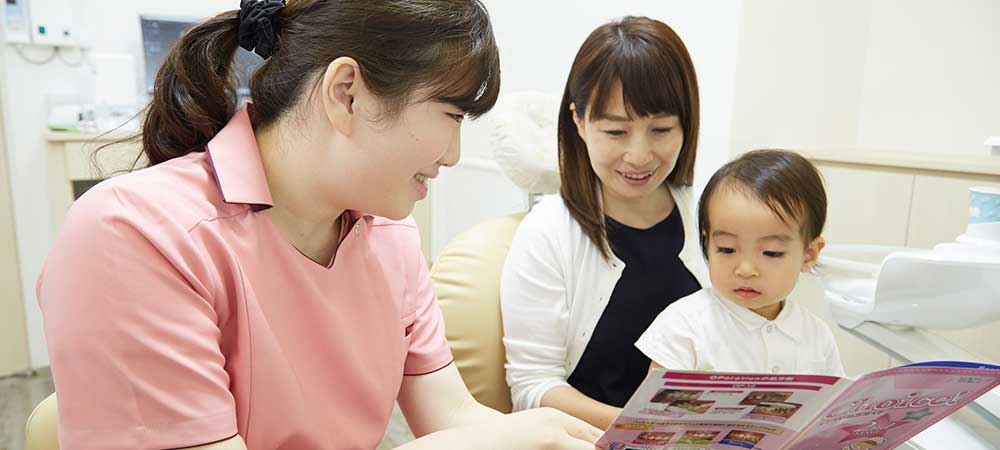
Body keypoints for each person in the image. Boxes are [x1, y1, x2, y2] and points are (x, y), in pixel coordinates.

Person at [35, 1, 602, 449]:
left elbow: (452, 415)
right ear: (345, 93)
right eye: (451, 114)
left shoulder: (390, 240)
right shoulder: (133, 236)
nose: (453, 154)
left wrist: (558, 435)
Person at [500, 16, 709, 430]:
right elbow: (533, 387)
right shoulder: (548, 233)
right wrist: (641, 430)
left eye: (661, 129)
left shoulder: (707, 217)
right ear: (578, 122)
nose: (639, 155)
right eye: (616, 132)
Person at [636, 150, 845, 377]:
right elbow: (654, 399)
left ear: (809, 255)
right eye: (727, 249)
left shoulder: (817, 335)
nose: (745, 270)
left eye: (771, 253)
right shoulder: (684, 325)